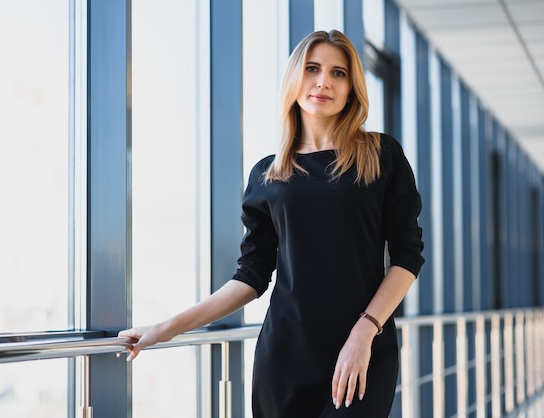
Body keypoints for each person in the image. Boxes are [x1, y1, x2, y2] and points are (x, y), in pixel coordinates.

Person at [118, 29, 424, 418]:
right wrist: (167, 327)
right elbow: (251, 277)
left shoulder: (380, 156)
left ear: (352, 88)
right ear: (295, 79)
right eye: (312, 69)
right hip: (285, 357)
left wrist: (365, 330)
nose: (323, 82)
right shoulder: (268, 174)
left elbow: (407, 255)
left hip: (363, 349)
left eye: (338, 73)